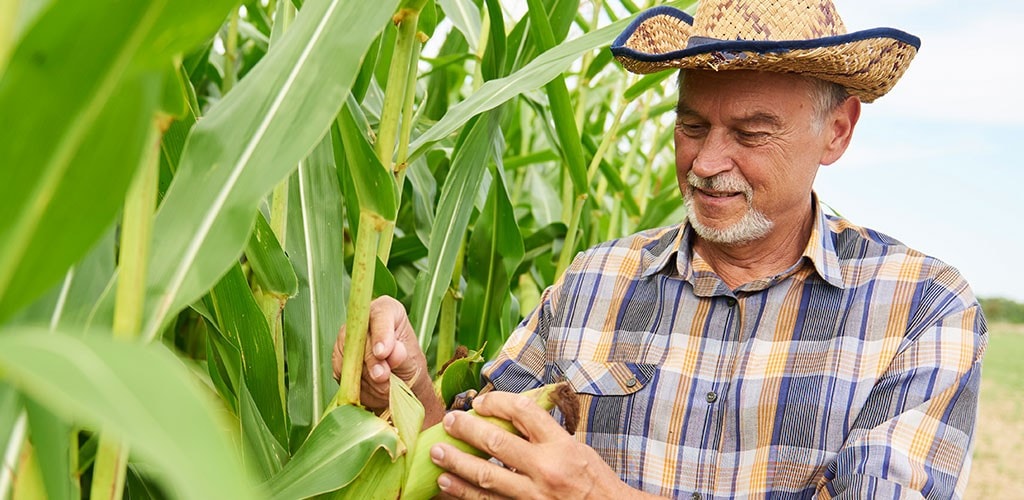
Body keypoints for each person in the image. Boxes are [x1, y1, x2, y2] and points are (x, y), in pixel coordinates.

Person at [333, 0, 989, 497]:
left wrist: (602, 492)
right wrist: (408, 384)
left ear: (836, 132)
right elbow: (470, 465)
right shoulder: (595, 281)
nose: (707, 161)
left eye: (751, 133)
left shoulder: (922, 309)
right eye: (691, 125)